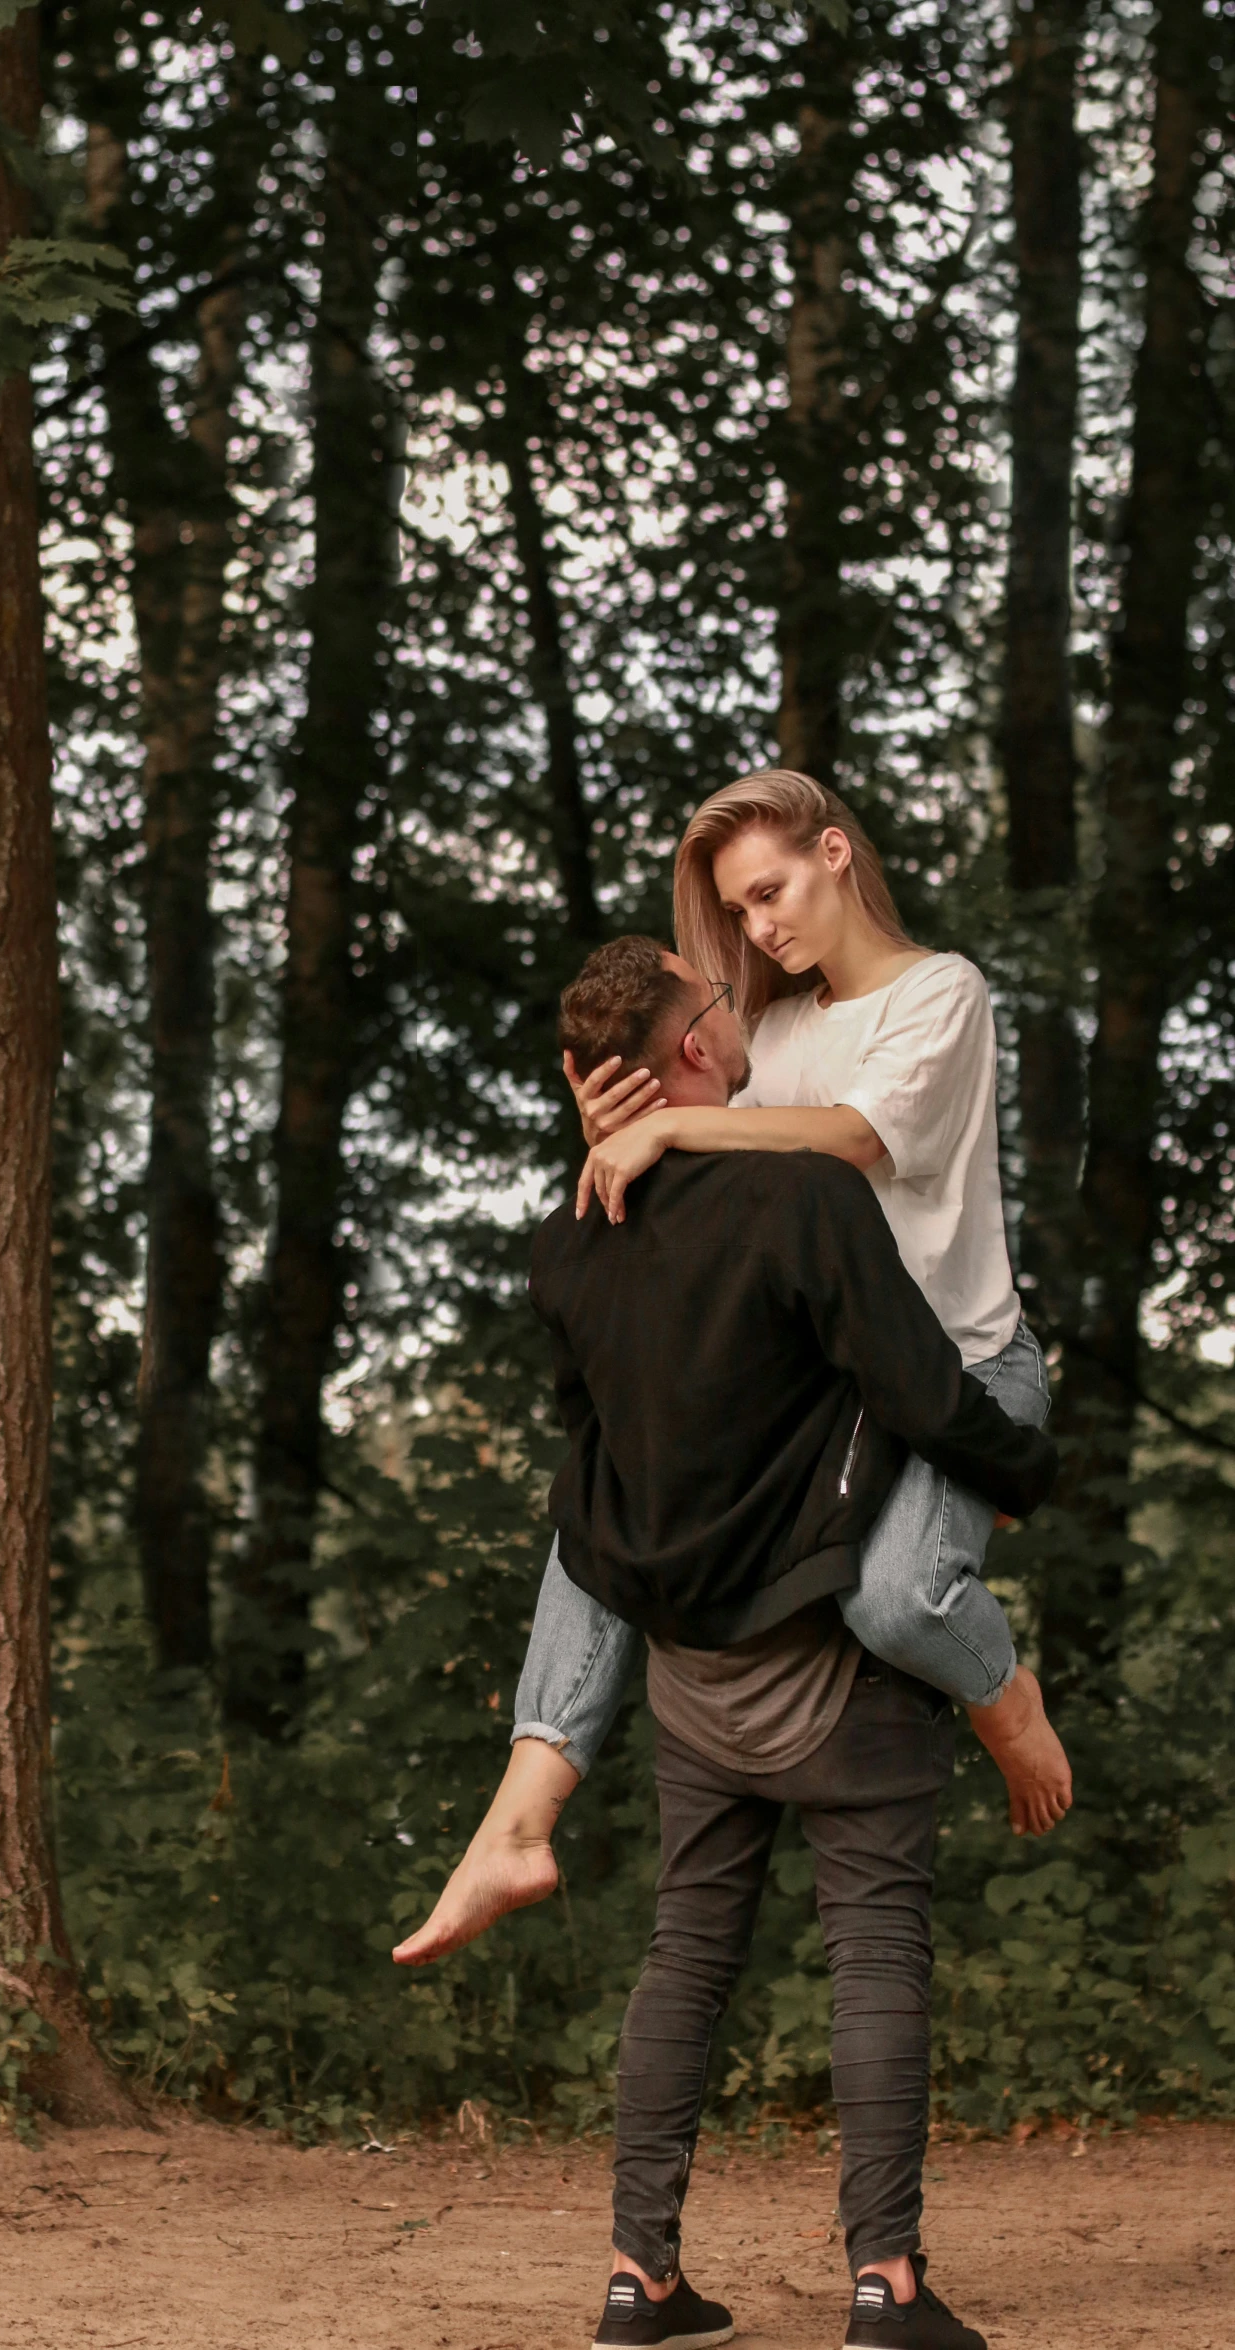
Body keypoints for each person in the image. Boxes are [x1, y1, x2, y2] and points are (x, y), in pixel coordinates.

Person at [412, 939, 1059, 2349]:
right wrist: (1023, 1469)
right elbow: (916, 1383)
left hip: (690, 1682)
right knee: (876, 1951)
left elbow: (591, 1483)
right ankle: (883, 2288)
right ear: (688, 1052)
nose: (732, 1000)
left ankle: (637, 2280)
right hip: (833, 1665)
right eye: (709, 999)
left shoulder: (569, 1243)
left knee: (685, 1958)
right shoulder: (804, 1197)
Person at [394, 770, 1070, 1970]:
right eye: (739, 911)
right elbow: (709, 1181)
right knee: (606, 1504)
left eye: (772, 891)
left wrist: (671, 1127)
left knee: (896, 1599)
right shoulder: (775, 1035)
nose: (760, 927)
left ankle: (1007, 1704)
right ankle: (518, 1818)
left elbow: (855, 1141)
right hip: (841, 1394)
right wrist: (615, 1135)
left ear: (834, 853)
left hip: (961, 1369)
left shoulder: (939, 993)